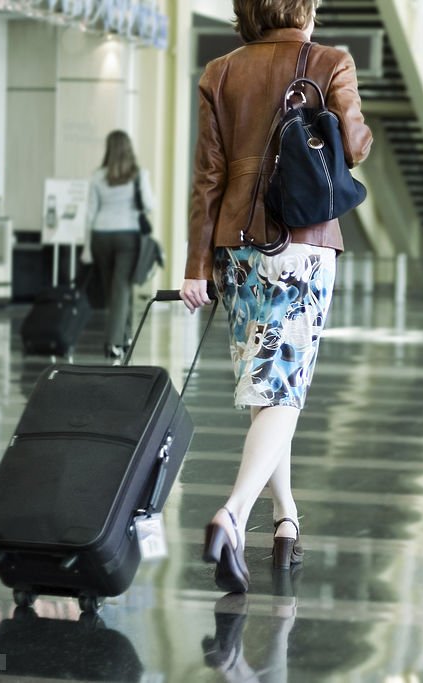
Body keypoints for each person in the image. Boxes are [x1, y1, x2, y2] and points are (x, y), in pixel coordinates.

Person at [180, 0, 372, 592]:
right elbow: (356, 147)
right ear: (304, 11)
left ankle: (285, 518)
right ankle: (233, 515)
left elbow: (208, 177)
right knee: (284, 392)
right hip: (303, 244)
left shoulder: (219, 72)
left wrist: (196, 264)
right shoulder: (330, 62)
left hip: (236, 251)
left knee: (272, 392)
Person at [83, 130, 155, 360]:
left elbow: (89, 213)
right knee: (122, 290)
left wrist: (86, 248)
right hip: (127, 236)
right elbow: (149, 205)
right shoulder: (138, 175)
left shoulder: (97, 176)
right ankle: (114, 343)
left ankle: (125, 337)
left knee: (113, 291)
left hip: (100, 236)